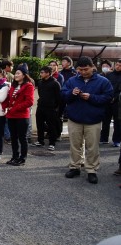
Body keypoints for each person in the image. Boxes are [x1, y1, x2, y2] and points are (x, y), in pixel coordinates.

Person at [62, 56, 113, 184]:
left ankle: (91, 169)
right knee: (75, 145)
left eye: (86, 69)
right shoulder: (72, 80)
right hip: (75, 118)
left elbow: (108, 97)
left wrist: (91, 97)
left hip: (94, 119)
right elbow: (63, 94)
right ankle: (75, 167)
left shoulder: (103, 81)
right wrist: (71, 93)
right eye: (81, 69)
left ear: (93, 67)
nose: (83, 72)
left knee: (92, 146)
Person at [2, 64, 34, 166]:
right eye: (15, 73)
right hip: (11, 115)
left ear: (24, 75)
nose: (16, 75)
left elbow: (29, 102)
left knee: (22, 138)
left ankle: (22, 158)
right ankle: (14, 156)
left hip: (22, 116)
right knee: (13, 138)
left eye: (18, 73)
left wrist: (15, 108)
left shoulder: (28, 85)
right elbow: (9, 99)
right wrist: (5, 106)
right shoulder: (13, 85)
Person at [34, 66, 61, 150]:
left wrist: (56, 107)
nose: (40, 74)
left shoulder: (55, 83)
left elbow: (58, 97)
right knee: (39, 124)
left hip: (51, 108)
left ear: (48, 73)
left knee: (51, 125)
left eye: (42, 72)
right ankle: (40, 140)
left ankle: (52, 143)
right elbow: (40, 94)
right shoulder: (40, 82)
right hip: (41, 106)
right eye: (40, 72)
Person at [103, 59, 121, 147]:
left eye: (120, 65)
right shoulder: (109, 75)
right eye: (117, 65)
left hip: (118, 102)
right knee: (105, 120)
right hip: (108, 100)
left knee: (117, 122)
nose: (118, 67)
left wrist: (115, 97)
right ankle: (103, 138)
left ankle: (116, 140)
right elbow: (105, 86)